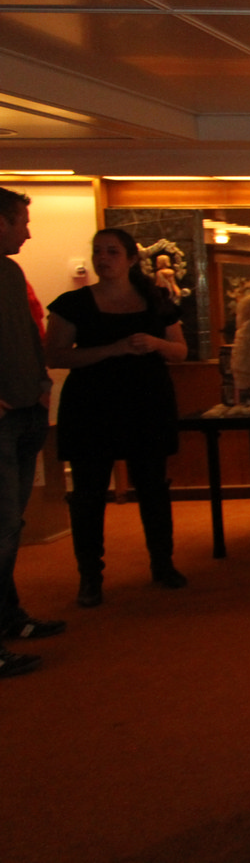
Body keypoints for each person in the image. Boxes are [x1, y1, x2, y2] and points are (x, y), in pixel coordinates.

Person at [45, 227, 188, 606]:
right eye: (98, 251)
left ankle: (163, 564)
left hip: (147, 403)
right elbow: (55, 355)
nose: (103, 258)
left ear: (130, 259)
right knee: (89, 494)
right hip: (92, 407)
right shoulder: (73, 303)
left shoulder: (155, 298)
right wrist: (113, 349)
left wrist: (155, 343)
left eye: (111, 251)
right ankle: (90, 577)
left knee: (153, 488)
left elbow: (180, 351)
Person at [0, 188, 64, 676]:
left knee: (11, 526)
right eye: (21, 221)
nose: (28, 232)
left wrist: (41, 386)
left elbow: (27, 335)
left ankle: (9, 616)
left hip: (25, 413)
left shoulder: (10, 273)